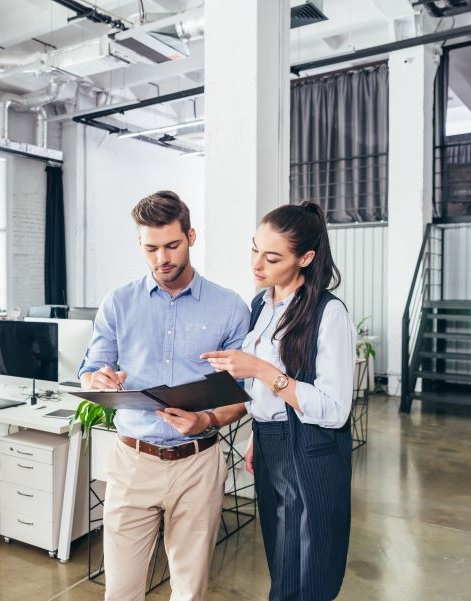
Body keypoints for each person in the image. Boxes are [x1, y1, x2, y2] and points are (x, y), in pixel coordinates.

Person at [78, 190, 250, 601]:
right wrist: (96, 380)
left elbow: (245, 394)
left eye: (172, 245)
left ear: (191, 236)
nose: (162, 258)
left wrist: (206, 419)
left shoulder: (230, 308)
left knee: (189, 591)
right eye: (151, 248)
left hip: (197, 463)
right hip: (132, 462)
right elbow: (88, 371)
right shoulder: (118, 303)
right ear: (140, 244)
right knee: (121, 590)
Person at [202, 201, 356, 601]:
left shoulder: (328, 312)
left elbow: (336, 410)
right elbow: (266, 396)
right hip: (271, 440)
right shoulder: (260, 305)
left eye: (272, 257)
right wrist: (257, 432)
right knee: (282, 556)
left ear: (305, 258)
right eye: (254, 249)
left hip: (311, 448)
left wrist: (260, 370)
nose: (257, 264)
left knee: (309, 564)